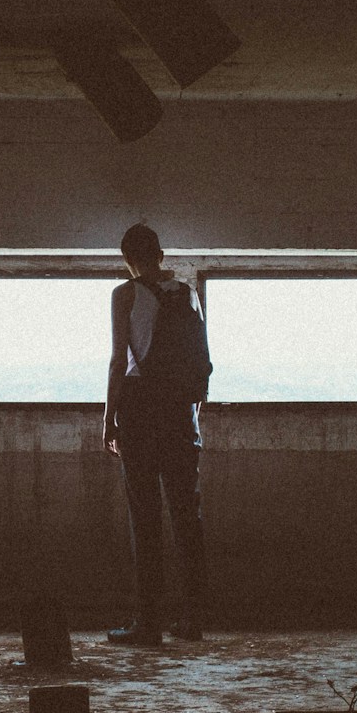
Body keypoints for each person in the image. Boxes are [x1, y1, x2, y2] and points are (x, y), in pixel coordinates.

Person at [102, 223, 210, 646]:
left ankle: (148, 623)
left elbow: (117, 360)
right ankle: (194, 619)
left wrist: (108, 418)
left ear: (127, 258)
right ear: (161, 253)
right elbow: (202, 358)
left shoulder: (125, 294)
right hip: (182, 414)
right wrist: (191, 414)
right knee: (187, 515)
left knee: (144, 518)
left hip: (141, 409)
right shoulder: (187, 293)